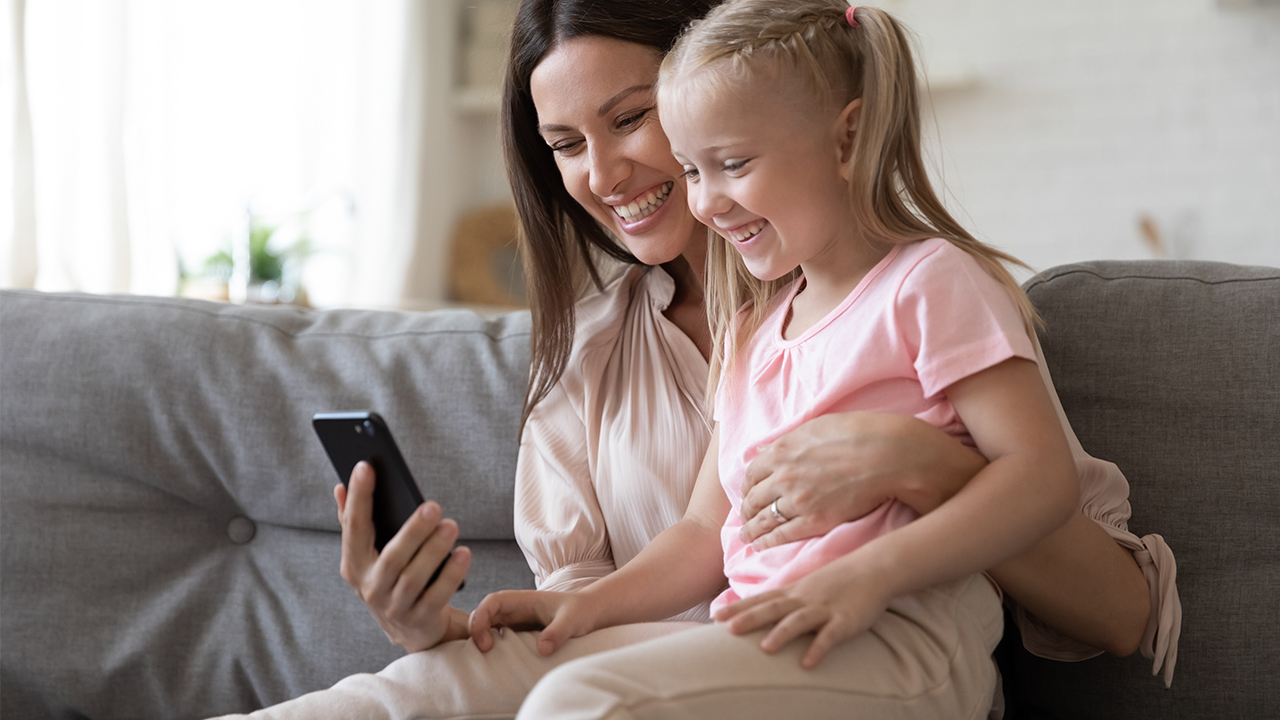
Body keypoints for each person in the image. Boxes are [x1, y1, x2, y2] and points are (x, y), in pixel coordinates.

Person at [215, 1, 1178, 718]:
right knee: (399, 695)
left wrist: (923, 465)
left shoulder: (925, 287)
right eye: (564, 144)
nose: (603, 174)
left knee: (579, 703)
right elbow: (693, 543)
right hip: (710, 650)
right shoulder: (647, 354)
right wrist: (482, 622)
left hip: (866, 646)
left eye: (634, 119)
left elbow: (1113, 599)